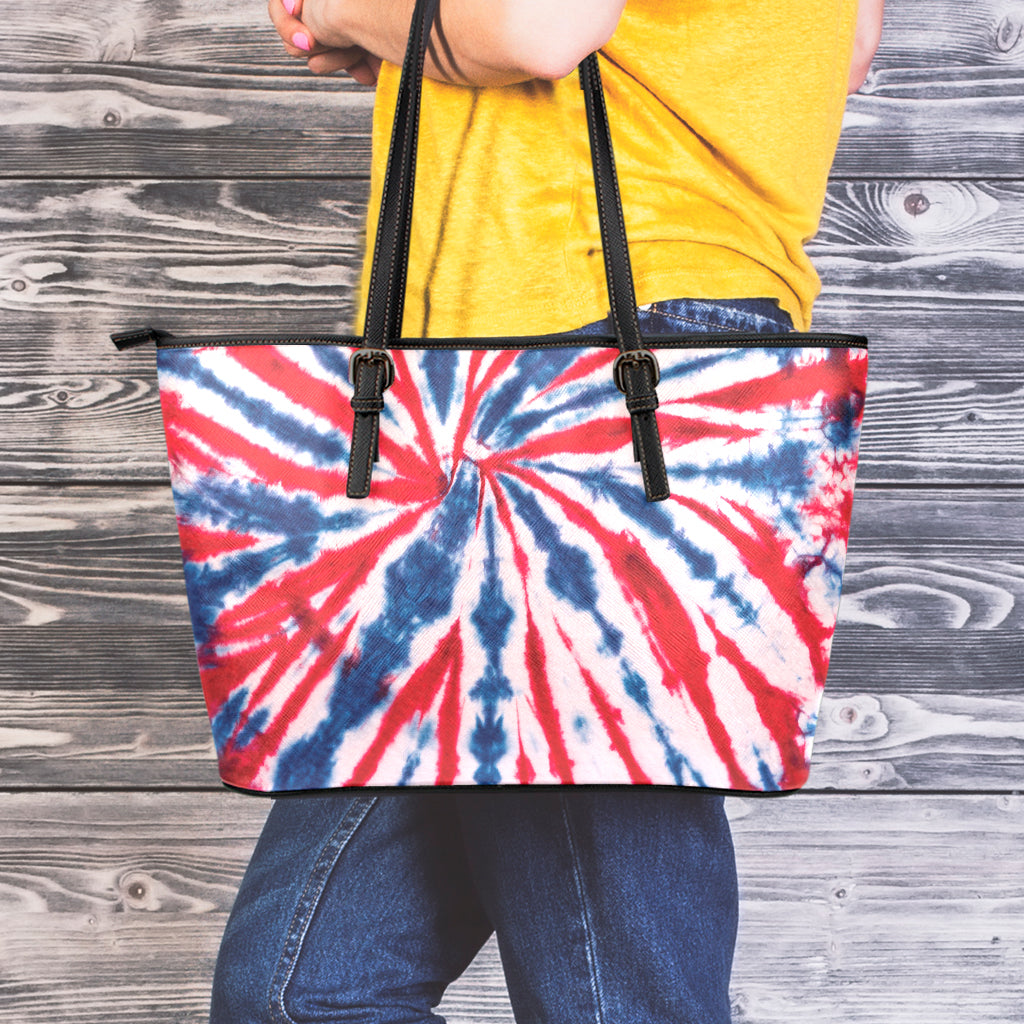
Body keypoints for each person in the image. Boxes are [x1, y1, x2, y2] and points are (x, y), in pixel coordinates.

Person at [210, 2, 884, 1021]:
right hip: (523, 390)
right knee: (302, 993)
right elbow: (833, 48)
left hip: (578, 363)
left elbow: (533, 28)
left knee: (609, 998)